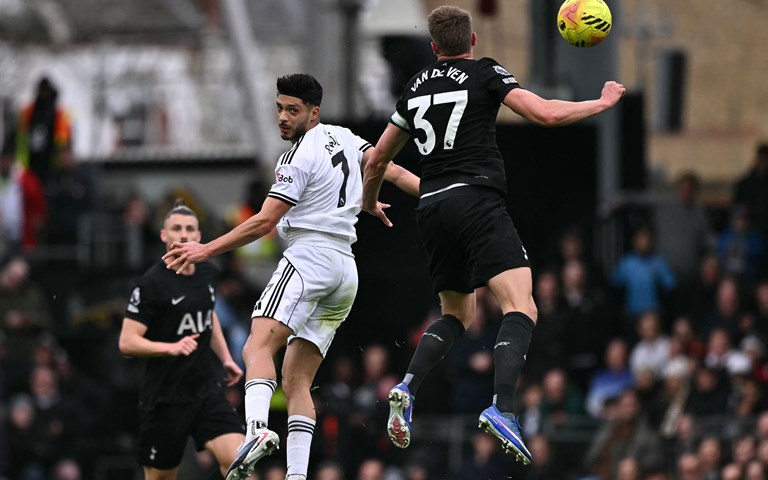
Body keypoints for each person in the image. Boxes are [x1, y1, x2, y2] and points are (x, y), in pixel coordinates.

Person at [360, 4, 625, 465]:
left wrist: (368, 201)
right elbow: (543, 114)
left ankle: (407, 385)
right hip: (475, 200)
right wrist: (599, 103)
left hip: (431, 207)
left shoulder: (414, 89)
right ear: (474, 41)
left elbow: (377, 160)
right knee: (521, 304)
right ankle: (503, 407)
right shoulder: (485, 73)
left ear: (434, 48)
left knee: (457, 314)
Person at [163, 74, 419, 480]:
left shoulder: (296, 158)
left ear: (313, 113)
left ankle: (254, 431)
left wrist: (205, 248)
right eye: (280, 108)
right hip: (344, 271)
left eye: (292, 111)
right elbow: (389, 168)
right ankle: (297, 475)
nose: (283, 117)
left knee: (255, 349)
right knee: (297, 379)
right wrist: (437, 197)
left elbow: (264, 222)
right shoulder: (346, 137)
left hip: (309, 259)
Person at [118, 200, 247, 480]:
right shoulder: (150, 284)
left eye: (190, 229)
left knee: (241, 464)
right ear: (164, 236)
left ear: (199, 237)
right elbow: (127, 342)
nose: (184, 234)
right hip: (165, 398)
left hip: (206, 390)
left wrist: (225, 358)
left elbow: (208, 316)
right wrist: (171, 348)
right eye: (176, 228)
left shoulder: (207, 272)